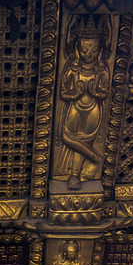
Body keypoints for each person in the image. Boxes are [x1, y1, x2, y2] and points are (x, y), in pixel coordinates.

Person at [55, 18, 110, 190]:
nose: (89, 54)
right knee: (66, 137)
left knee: (84, 139)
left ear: (100, 49)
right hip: (75, 107)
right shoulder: (72, 68)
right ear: (77, 48)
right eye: (85, 49)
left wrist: (95, 93)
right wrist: (75, 94)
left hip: (93, 109)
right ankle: (95, 157)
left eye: (93, 50)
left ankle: (74, 176)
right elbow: (63, 92)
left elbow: (105, 92)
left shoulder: (102, 69)